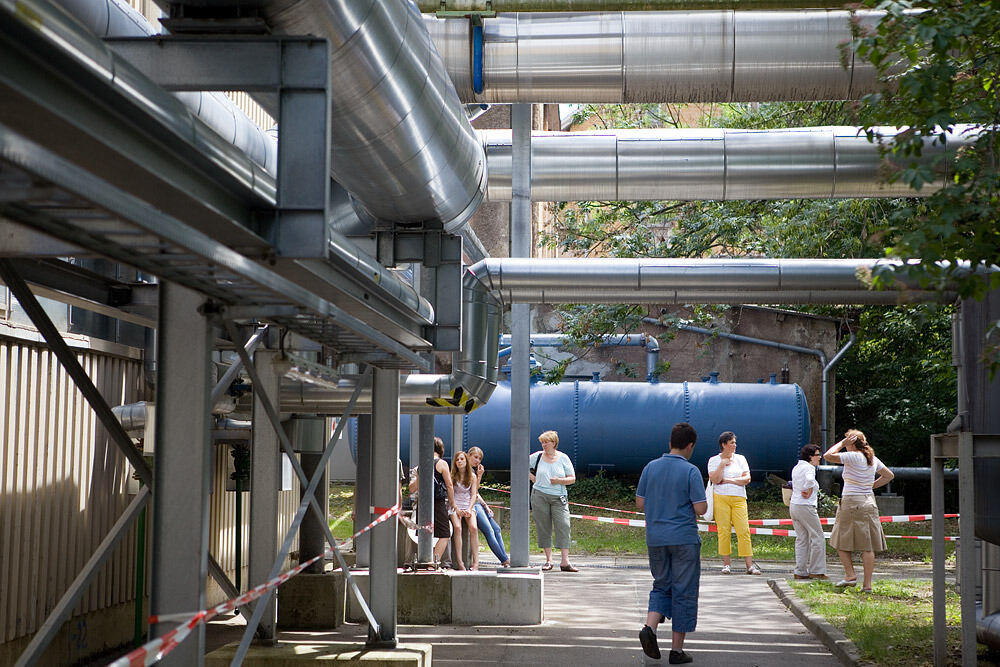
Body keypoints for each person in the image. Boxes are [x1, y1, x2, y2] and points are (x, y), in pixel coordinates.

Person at [636, 422, 706, 664]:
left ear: (669, 443)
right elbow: (701, 508)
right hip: (684, 539)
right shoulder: (691, 471)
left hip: (655, 538)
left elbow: (640, 503)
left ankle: (649, 627)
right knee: (683, 591)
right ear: (690, 445)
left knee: (661, 584)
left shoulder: (650, 467)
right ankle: (676, 651)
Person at [823, 429, 894, 593]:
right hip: (869, 502)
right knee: (867, 546)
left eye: (848, 441)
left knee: (839, 540)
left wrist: (842, 444)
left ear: (852, 442)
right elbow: (889, 475)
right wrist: (870, 485)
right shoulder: (871, 458)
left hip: (851, 501)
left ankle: (850, 575)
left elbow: (828, 455)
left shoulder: (853, 456)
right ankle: (867, 585)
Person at [707, 431, 760, 575]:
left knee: (743, 530)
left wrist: (730, 480)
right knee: (723, 531)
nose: (734, 446)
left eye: (735, 443)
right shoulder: (713, 460)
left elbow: (747, 479)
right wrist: (722, 465)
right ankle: (726, 564)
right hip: (721, 497)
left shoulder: (741, 459)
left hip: (739, 498)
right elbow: (716, 479)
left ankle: (749, 565)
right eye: (731, 443)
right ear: (724, 445)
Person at [529, 430, 578, 572]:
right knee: (543, 526)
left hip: (559, 497)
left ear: (554, 443)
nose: (543, 445)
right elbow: (520, 463)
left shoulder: (563, 458)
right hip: (539, 496)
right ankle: (548, 560)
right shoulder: (537, 457)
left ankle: (565, 561)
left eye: (546, 442)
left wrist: (559, 481)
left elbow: (572, 478)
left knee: (563, 525)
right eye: (542, 442)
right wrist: (533, 478)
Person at [410, 437, 457, 567]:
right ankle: (432, 564)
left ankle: (423, 560)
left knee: (424, 534)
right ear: (440, 449)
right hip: (437, 503)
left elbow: (413, 488)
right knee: (445, 534)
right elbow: (449, 485)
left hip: (423, 504)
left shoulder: (422, 465)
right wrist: (452, 503)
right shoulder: (442, 464)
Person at [789, 444, 828, 580]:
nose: (820, 457)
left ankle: (800, 570)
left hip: (794, 505)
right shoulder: (810, 468)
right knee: (818, 537)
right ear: (811, 457)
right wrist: (809, 488)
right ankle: (816, 570)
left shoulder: (797, 467)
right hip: (806, 506)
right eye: (818, 455)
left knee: (801, 539)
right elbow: (810, 480)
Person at [467, 446, 510, 567]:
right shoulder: (466, 471)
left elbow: (476, 493)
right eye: (475, 457)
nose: (477, 461)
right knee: (489, 531)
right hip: (471, 504)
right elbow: (473, 491)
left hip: (477, 502)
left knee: (496, 529)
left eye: (479, 458)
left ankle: (504, 557)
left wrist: (485, 505)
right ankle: (504, 559)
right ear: (468, 456)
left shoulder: (473, 471)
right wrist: (479, 476)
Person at [450, 450, 479, 570]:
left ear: (466, 461)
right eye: (457, 460)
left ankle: (476, 562)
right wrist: (456, 508)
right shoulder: (452, 476)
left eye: (462, 459)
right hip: (455, 505)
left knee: (473, 527)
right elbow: (450, 494)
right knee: (457, 528)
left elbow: (473, 495)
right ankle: (460, 562)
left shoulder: (472, 476)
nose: (459, 462)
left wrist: (469, 508)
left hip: (468, 505)